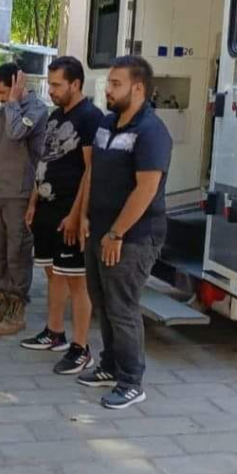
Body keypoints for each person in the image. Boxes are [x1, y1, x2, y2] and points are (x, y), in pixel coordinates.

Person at [77, 55, 172, 409]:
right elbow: (93, 172)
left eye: (116, 84)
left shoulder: (151, 131)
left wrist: (117, 233)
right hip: (99, 230)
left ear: (138, 88)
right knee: (102, 302)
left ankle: (132, 382)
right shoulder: (107, 124)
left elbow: (146, 189)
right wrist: (84, 216)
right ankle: (110, 365)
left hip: (132, 237)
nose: (108, 90)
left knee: (122, 307)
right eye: (109, 83)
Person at [20, 56, 102, 375]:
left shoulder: (90, 118)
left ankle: (81, 348)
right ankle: (54, 332)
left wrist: (77, 214)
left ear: (75, 84)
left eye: (57, 85)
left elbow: (91, 170)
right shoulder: (55, 116)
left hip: (70, 212)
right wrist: (33, 203)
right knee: (54, 273)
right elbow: (44, 162)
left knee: (76, 281)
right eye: (50, 84)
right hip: (46, 208)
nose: (51, 90)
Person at [0, 63, 48, 336]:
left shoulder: (36, 109)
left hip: (20, 193)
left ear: (18, 85)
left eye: (3, 91)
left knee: (17, 253)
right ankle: (4, 300)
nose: (1, 97)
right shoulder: (5, 108)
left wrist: (13, 102)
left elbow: (17, 132)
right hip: (0, 191)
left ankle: (18, 308)